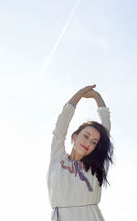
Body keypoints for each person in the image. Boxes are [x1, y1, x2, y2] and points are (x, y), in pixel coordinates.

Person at [47, 84, 114, 221]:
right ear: (74, 136)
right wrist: (79, 94)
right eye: (86, 136)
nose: (89, 143)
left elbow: (106, 126)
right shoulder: (57, 158)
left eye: (94, 142)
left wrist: (97, 97)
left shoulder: (94, 167)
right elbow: (61, 124)